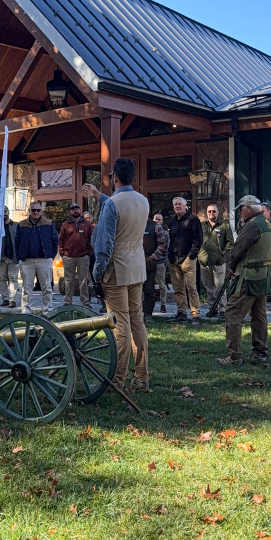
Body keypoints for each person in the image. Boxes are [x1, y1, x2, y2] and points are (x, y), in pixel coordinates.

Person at [83, 157, 150, 394]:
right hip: (137, 268)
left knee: (119, 326)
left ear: (115, 178)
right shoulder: (143, 200)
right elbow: (123, 209)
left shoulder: (112, 204)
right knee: (137, 323)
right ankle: (142, 377)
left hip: (116, 271)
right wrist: (98, 195)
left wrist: (97, 273)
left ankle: (117, 380)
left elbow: (104, 245)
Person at [220, 195, 271, 366]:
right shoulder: (267, 223)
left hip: (248, 276)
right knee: (259, 315)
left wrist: (231, 265)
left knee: (232, 313)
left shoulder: (251, 226)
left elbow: (237, 249)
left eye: (241, 209)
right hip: (264, 276)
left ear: (248, 208)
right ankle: (260, 353)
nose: (240, 213)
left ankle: (234, 356)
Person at [14, 202, 57, 314]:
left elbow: (55, 240)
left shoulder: (48, 223)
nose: (36, 212)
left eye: (38, 210)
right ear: (29, 211)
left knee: (47, 287)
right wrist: (19, 257)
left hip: (44, 259)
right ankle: (26, 309)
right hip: (26, 260)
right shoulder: (21, 224)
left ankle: (48, 309)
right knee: (26, 287)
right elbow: (17, 241)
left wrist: (51, 256)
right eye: (33, 210)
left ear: (41, 211)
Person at [165, 197, 203, 324]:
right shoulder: (172, 221)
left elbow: (198, 239)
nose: (177, 206)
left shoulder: (193, 220)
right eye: (175, 204)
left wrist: (191, 256)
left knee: (191, 288)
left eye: (179, 204)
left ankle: (195, 315)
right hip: (173, 260)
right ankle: (181, 313)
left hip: (187, 259)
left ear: (185, 205)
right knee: (178, 289)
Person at [198, 203, 234, 317]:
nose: (211, 213)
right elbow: (197, 241)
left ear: (218, 213)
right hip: (204, 262)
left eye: (214, 211)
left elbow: (230, 243)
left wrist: (222, 255)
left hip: (219, 262)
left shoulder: (224, 226)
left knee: (220, 287)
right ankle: (212, 308)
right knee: (209, 288)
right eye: (209, 211)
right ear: (206, 213)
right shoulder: (202, 226)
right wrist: (199, 255)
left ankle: (223, 309)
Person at [58, 203, 94, 307]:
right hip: (68, 256)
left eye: (77, 208)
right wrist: (62, 252)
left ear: (80, 210)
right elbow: (61, 240)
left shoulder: (87, 224)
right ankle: (68, 301)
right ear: (70, 212)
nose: (75, 211)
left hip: (83, 256)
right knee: (69, 280)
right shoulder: (65, 225)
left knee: (83, 280)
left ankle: (85, 302)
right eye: (73, 209)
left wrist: (89, 253)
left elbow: (92, 239)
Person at [141, 215, 168, 318]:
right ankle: (136, 315)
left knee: (149, 290)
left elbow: (162, 244)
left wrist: (152, 257)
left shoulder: (155, 226)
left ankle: (147, 314)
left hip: (150, 264)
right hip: (134, 263)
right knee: (134, 291)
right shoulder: (133, 225)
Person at [151, 212, 171, 312]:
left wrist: (164, 262)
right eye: (156, 219)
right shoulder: (149, 232)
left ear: (162, 221)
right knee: (148, 284)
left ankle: (163, 304)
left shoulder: (165, 234)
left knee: (162, 284)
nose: (157, 221)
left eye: (159, 219)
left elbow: (166, 249)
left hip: (160, 262)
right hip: (150, 262)